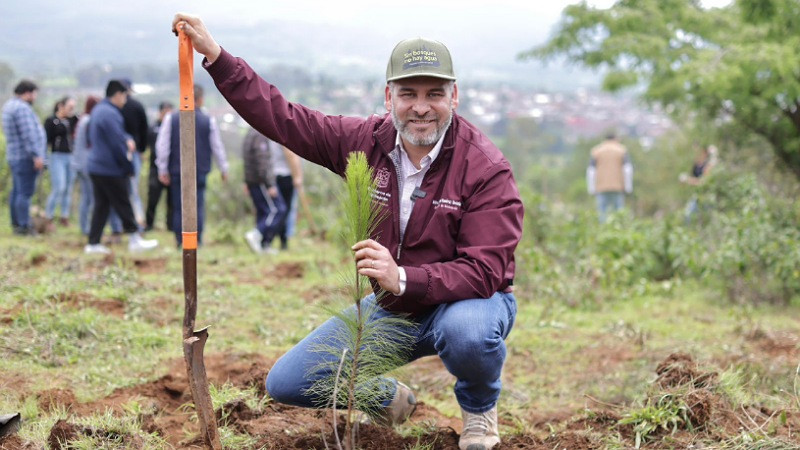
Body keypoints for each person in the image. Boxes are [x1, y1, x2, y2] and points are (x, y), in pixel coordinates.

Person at [173, 15, 524, 450]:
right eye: (407, 93)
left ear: (454, 96)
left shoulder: (484, 167)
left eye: (434, 94)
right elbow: (286, 119)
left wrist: (402, 278)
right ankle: (390, 399)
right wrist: (217, 57)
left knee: (468, 334)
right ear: (388, 96)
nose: (420, 107)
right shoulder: (366, 143)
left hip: (469, 303)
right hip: (397, 309)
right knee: (287, 381)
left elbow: (486, 269)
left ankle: (478, 412)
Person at [84, 80, 158, 254]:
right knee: (123, 202)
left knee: (102, 205)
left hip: (97, 165)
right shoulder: (110, 114)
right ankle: (134, 239)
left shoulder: (99, 110)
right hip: (109, 168)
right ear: (117, 95)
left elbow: (117, 137)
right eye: (125, 95)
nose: (126, 99)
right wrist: (128, 166)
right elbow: (117, 144)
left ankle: (93, 243)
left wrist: (126, 138)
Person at [155, 85, 229, 247]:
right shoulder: (208, 120)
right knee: (198, 205)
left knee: (178, 206)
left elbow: (163, 146)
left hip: (176, 170)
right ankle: (197, 240)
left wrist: (162, 168)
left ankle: (180, 241)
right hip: (200, 170)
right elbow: (217, 146)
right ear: (201, 99)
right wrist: (223, 167)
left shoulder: (171, 118)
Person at [2, 80, 46, 236]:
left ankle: (17, 223)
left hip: (14, 155)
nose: (34, 97)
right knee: (25, 193)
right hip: (25, 157)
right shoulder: (21, 108)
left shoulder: (9, 106)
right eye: (34, 94)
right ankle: (23, 226)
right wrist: (37, 155)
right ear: (27, 93)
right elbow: (28, 135)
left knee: (17, 191)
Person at [242, 127, 288, 254]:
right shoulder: (259, 135)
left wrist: (246, 181)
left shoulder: (250, 133)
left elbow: (247, 161)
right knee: (277, 210)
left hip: (253, 181)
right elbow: (262, 162)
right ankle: (257, 234)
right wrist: (270, 184)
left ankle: (263, 245)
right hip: (261, 182)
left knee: (264, 212)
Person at [44, 96, 77, 229]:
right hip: (57, 156)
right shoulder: (52, 121)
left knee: (68, 188)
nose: (71, 110)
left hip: (71, 156)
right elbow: (46, 140)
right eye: (69, 107)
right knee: (59, 187)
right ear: (61, 106)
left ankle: (64, 216)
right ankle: (49, 216)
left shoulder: (73, 120)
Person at [120, 79, 149, 226]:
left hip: (117, 153)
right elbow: (145, 130)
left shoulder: (114, 107)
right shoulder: (137, 106)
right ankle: (137, 223)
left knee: (119, 189)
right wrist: (142, 149)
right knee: (133, 190)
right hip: (135, 152)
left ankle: (120, 225)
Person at [586, 132, 632, 223]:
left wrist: (591, 188)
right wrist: (628, 187)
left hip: (601, 187)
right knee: (619, 213)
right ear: (615, 139)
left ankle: (602, 233)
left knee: (601, 213)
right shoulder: (622, 150)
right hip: (618, 186)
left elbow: (591, 171)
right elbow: (627, 169)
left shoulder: (596, 151)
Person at [71, 95, 100, 236]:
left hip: (78, 163)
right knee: (92, 198)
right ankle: (89, 228)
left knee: (85, 198)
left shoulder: (82, 119)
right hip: (87, 164)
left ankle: (84, 227)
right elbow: (92, 143)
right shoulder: (89, 121)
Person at [144, 101, 174, 232]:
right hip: (155, 169)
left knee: (172, 200)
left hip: (172, 169)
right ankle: (149, 224)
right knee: (153, 199)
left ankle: (171, 226)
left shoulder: (175, 127)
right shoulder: (153, 127)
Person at [680, 144, 718, 223]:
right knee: (688, 215)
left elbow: (703, 182)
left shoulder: (708, 164)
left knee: (710, 218)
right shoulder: (695, 166)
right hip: (698, 196)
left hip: (707, 196)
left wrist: (688, 180)